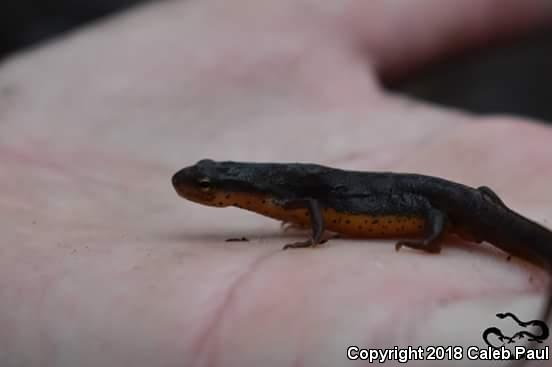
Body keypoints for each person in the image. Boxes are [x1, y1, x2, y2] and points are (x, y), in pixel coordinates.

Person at [1, 0, 551, 365]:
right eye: (207, 186)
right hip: (450, 204)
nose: (204, 192)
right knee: (479, 208)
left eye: (210, 187)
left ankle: (462, 233)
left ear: (233, 190)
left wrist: (323, 236)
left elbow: (314, 204)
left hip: (441, 206)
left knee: (473, 211)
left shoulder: (286, 192)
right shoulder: (273, 189)